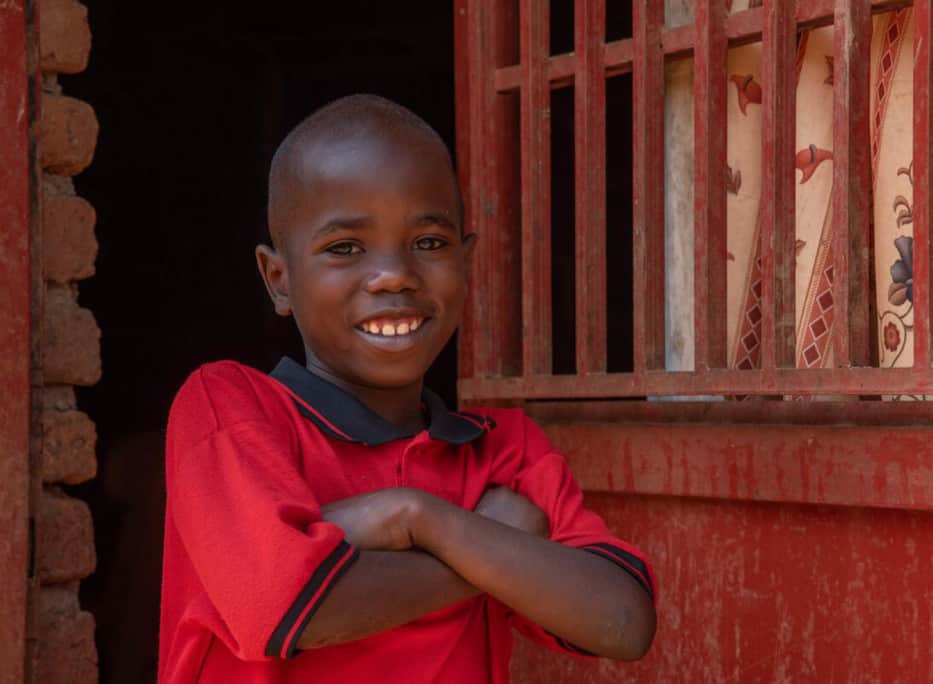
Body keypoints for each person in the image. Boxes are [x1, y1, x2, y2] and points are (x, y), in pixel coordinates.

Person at [158, 94, 656, 683]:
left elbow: (624, 621)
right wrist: (453, 531)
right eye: (345, 248)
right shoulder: (230, 409)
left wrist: (419, 523)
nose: (395, 273)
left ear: (467, 265)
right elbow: (282, 606)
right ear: (279, 280)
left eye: (429, 242)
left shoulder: (503, 451)